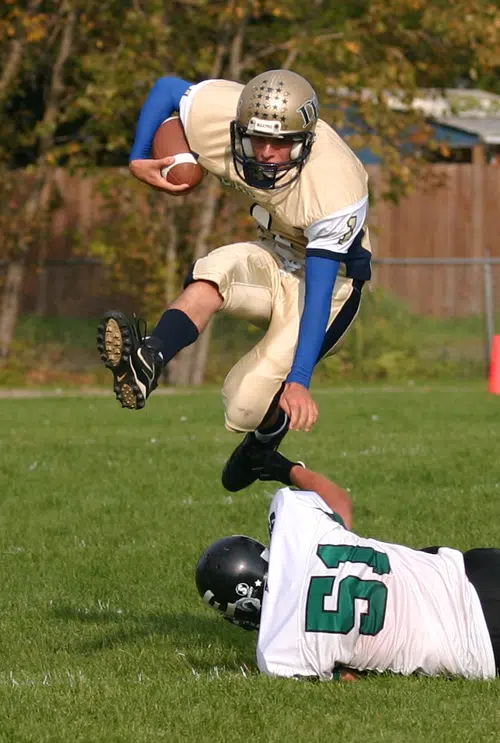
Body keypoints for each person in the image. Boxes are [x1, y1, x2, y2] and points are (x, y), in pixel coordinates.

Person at [96, 70, 372, 492]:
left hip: (329, 286)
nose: (265, 153)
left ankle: (262, 448)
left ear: (306, 140)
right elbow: (168, 88)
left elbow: (316, 294)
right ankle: (148, 359)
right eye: (256, 139)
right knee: (216, 269)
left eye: (280, 143)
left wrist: (299, 381)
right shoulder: (224, 114)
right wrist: (137, 156)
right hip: (274, 252)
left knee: (245, 405)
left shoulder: (334, 186)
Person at [195, 450, 499, 680]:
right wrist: (283, 467)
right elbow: (339, 502)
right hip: (470, 571)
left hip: (478, 641)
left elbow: (349, 680)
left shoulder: (279, 653)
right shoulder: (299, 530)